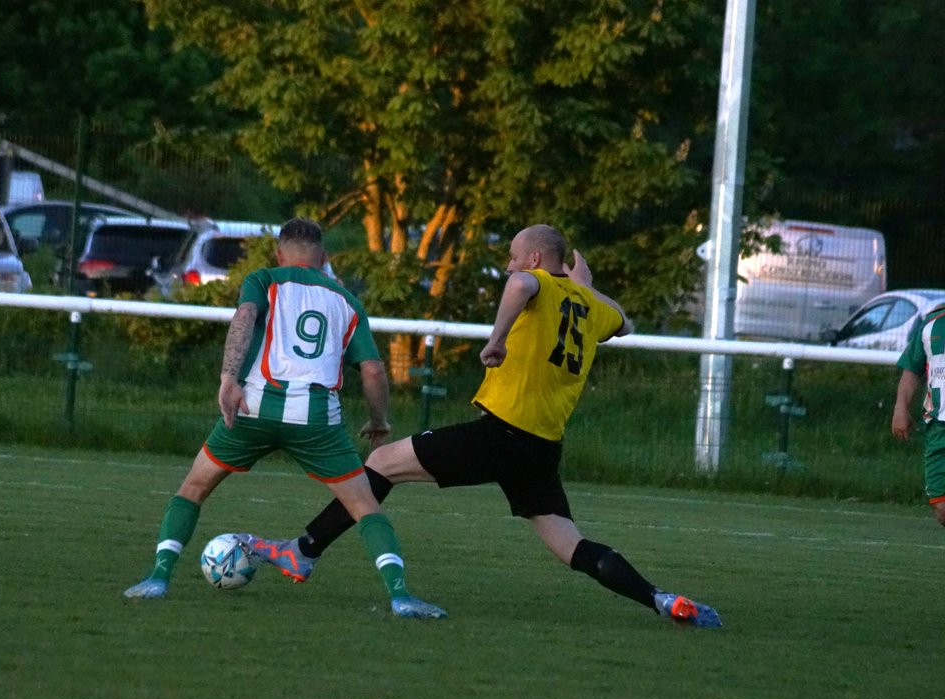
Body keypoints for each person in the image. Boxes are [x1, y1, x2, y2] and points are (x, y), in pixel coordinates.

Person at [243, 223, 722, 627]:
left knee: (382, 462)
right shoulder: (590, 306)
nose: (510, 267)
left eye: (514, 257)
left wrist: (496, 340)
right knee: (571, 546)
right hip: (542, 449)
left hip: (502, 434)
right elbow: (626, 323)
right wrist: (586, 284)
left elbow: (520, 286)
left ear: (534, 258)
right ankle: (660, 599)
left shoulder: (535, 283)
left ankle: (303, 551)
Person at [123, 218, 446, 619]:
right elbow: (374, 370)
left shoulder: (264, 279)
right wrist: (379, 419)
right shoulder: (347, 300)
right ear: (324, 258)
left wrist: (228, 378)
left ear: (279, 253)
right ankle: (400, 596)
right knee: (366, 509)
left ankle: (157, 578)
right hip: (317, 423)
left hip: (252, 410)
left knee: (193, 488)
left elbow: (243, 317)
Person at [890, 302, 945, 526]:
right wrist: (900, 409)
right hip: (938, 428)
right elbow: (911, 370)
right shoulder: (932, 324)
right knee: (941, 507)